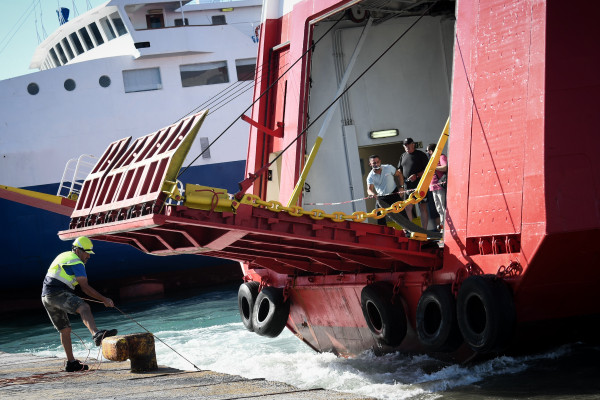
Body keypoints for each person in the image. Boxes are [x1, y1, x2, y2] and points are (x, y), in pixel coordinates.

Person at [41, 236, 118, 372]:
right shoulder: (77, 262)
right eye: (87, 252)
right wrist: (104, 299)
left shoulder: (64, 255)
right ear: (78, 250)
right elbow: (85, 287)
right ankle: (96, 334)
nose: (88, 256)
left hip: (46, 297)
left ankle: (71, 363)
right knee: (84, 307)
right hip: (56, 293)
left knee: (65, 330)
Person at [398, 138, 429, 229]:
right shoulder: (403, 156)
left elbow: (427, 170)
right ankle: (410, 229)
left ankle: (424, 230)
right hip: (408, 186)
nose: (406, 147)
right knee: (407, 207)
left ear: (413, 144)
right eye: (405, 145)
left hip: (420, 185)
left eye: (408, 144)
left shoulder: (420, 155)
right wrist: (401, 183)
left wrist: (417, 175)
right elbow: (399, 169)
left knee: (422, 207)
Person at [366, 155, 406, 226]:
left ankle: (409, 232)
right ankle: (384, 234)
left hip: (394, 194)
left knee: (402, 215)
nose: (376, 164)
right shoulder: (370, 176)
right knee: (379, 216)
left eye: (377, 162)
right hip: (381, 197)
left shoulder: (388, 167)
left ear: (380, 162)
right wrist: (372, 194)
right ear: (370, 164)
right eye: (374, 163)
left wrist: (401, 187)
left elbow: (399, 174)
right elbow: (369, 190)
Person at [426, 143, 448, 230]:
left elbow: (445, 167)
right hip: (433, 186)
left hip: (440, 186)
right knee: (439, 208)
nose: (427, 153)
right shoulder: (432, 159)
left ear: (431, 151)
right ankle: (443, 227)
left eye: (428, 151)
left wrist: (435, 167)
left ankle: (445, 227)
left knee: (443, 207)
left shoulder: (441, 157)